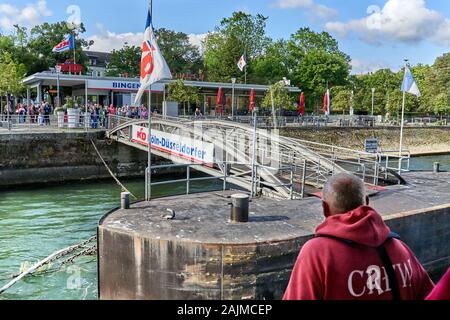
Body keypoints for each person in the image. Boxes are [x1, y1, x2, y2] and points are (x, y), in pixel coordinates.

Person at [283, 173, 434, 300]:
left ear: (325, 208)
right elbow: (432, 294)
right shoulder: (400, 248)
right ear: (367, 203)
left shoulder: (317, 253)